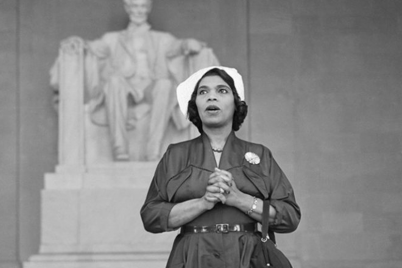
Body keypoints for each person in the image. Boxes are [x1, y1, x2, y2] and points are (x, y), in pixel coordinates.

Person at [140, 66, 301, 267]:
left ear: (236, 103)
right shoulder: (176, 154)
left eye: (222, 91)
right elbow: (151, 216)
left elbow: (290, 216)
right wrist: (203, 202)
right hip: (192, 258)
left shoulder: (260, 154)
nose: (211, 97)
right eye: (203, 92)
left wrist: (239, 199)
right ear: (195, 105)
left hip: (249, 257)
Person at [51, 0, 216, 161]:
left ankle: (154, 148)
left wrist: (189, 43)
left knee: (165, 84)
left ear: (148, 8)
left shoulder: (161, 39)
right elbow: (95, 48)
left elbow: (178, 46)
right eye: (135, 6)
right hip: (125, 86)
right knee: (114, 82)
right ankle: (119, 147)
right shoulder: (112, 38)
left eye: (143, 6)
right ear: (127, 8)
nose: (139, 11)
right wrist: (80, 44)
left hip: (150, 87)